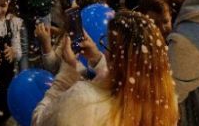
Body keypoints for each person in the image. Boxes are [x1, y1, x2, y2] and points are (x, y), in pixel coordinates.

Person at [33, 10, 179, 126]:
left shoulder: (84, 101)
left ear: (117, 58)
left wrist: (67, 72)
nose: (104, 52)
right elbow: (128, 80)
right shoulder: (165, 101)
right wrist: (97, 59)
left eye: (108, 46)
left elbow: (39, 120)